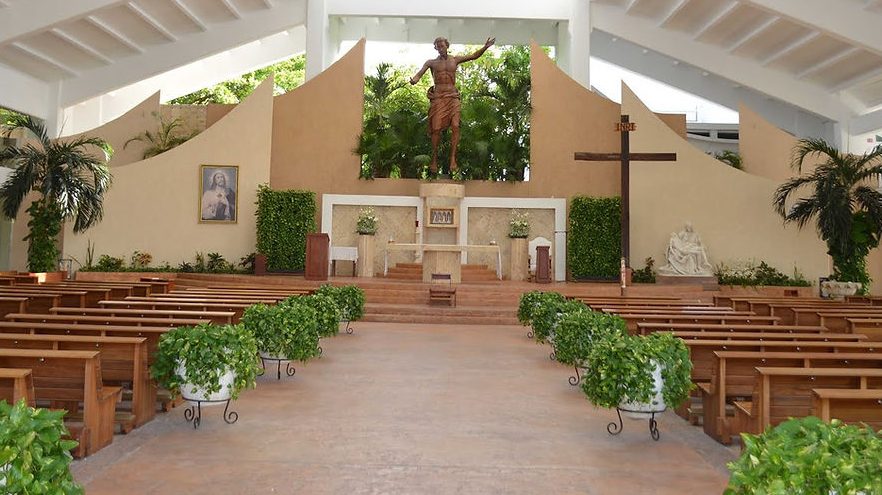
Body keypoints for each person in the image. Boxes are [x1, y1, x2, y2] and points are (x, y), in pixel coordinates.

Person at [410, 36, 495, 174]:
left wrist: (485, 47)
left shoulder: (455, 60)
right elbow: (419, 74)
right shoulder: (431, 63)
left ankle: (453, 159)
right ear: (435, 48)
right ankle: (434, 159)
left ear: (447, 46)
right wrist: (414, 80)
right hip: (438, 97)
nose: (440, 48)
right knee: (436, 128)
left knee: (455, 126)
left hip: (452, 97)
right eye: (437, 46)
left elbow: (473, 56)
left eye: (442, 45)